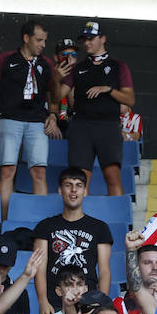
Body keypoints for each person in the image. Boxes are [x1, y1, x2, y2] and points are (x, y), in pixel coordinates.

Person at [0, 19, 60, 219]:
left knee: (39, 172)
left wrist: (53, 114)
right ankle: (4, 221)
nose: (43, 45)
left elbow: (55, 97)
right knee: (8, 171)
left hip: (37, 122)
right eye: (39, 40)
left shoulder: (47, 63)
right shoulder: (6, 59)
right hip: (10, 119)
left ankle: (41, 223)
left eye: (45, 41)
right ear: (26, 38)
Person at [60, 20, 133, 197]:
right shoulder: (77, 68)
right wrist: (56, 78)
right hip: (81, 126)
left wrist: (108, 89)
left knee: (112, 176)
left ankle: (117, 221)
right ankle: (81, 222)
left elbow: (130, 99)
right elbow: (57, 96)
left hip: (108, 126)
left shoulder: (118, 66)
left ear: (103, 39)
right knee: (80, 179)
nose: (87, 43)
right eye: (84, 39)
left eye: (91, 38)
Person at [33, 167, 112, 313]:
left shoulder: (100, 228)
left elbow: (104, 270)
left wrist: (101, 303)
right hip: (54, 301)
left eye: (79, 185)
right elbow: (39, 269)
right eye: (68, 185)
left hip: (88, 301)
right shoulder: (45, 227)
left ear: (85, 191)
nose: (74, 190)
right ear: (60, 190)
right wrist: (43, 301)